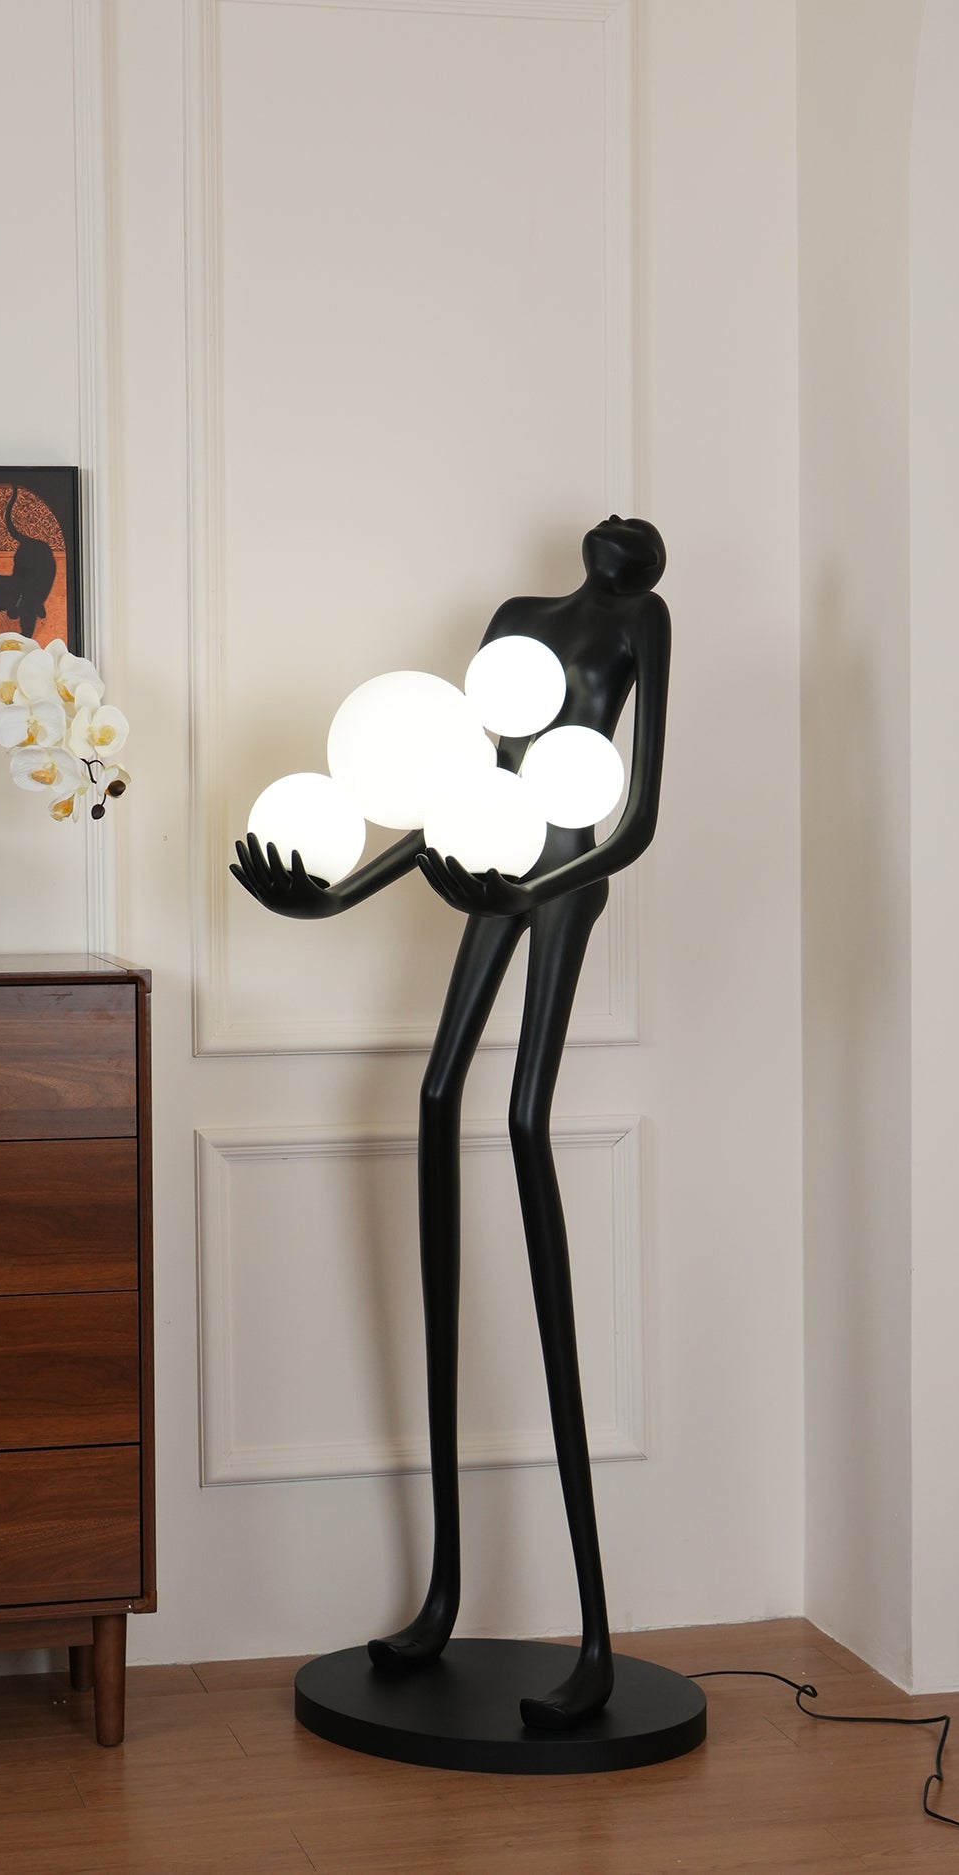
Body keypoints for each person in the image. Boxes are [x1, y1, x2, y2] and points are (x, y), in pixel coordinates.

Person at [231, 515, 670, 1730]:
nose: (627, 531)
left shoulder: (643, 622)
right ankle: (443, 1595)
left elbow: (635, 820)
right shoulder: (516, 626)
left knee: (525, 1120)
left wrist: (535, 884)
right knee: (435, 1097)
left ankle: (593, 1638)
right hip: (489, 854)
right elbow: (449, 795)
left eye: (642, 536)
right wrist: (331, 896)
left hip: (561, 870)